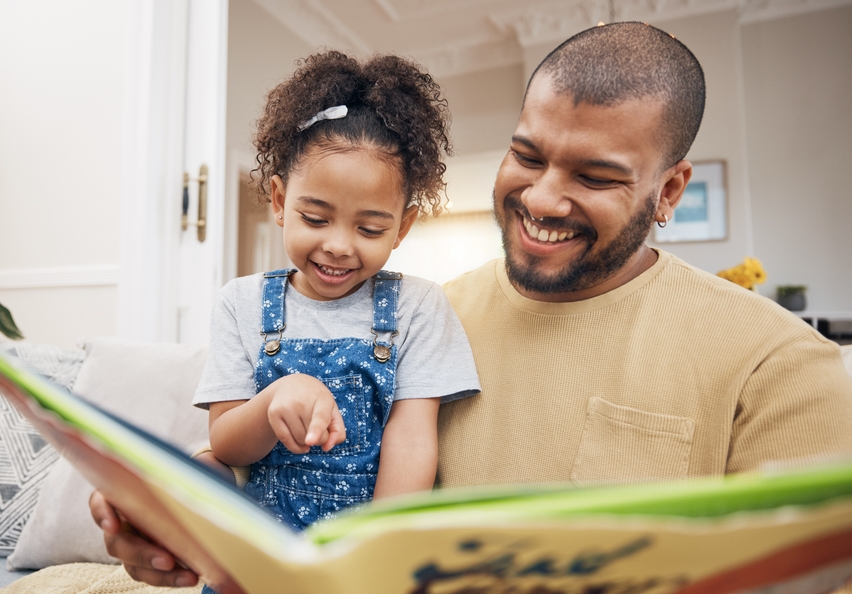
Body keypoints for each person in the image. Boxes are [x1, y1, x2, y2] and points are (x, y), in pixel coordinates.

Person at [90, 22, 852, 593]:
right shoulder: (425, 316)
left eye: (595, 174)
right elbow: (268, 460)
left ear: (670, 192)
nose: (543, 196)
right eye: (527, 155)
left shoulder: (781, 366)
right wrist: (166, 510)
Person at [193, 50, 480, 546]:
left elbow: (411, 441)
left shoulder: (418, 307)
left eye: (370, 227)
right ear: (280, 202)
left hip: (361, 550)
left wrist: (376, 554)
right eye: (316, 218)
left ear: (402, 227)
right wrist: (273, 402)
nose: (339, 246)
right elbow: (226, 445)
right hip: (261, 548)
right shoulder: (239, 302)